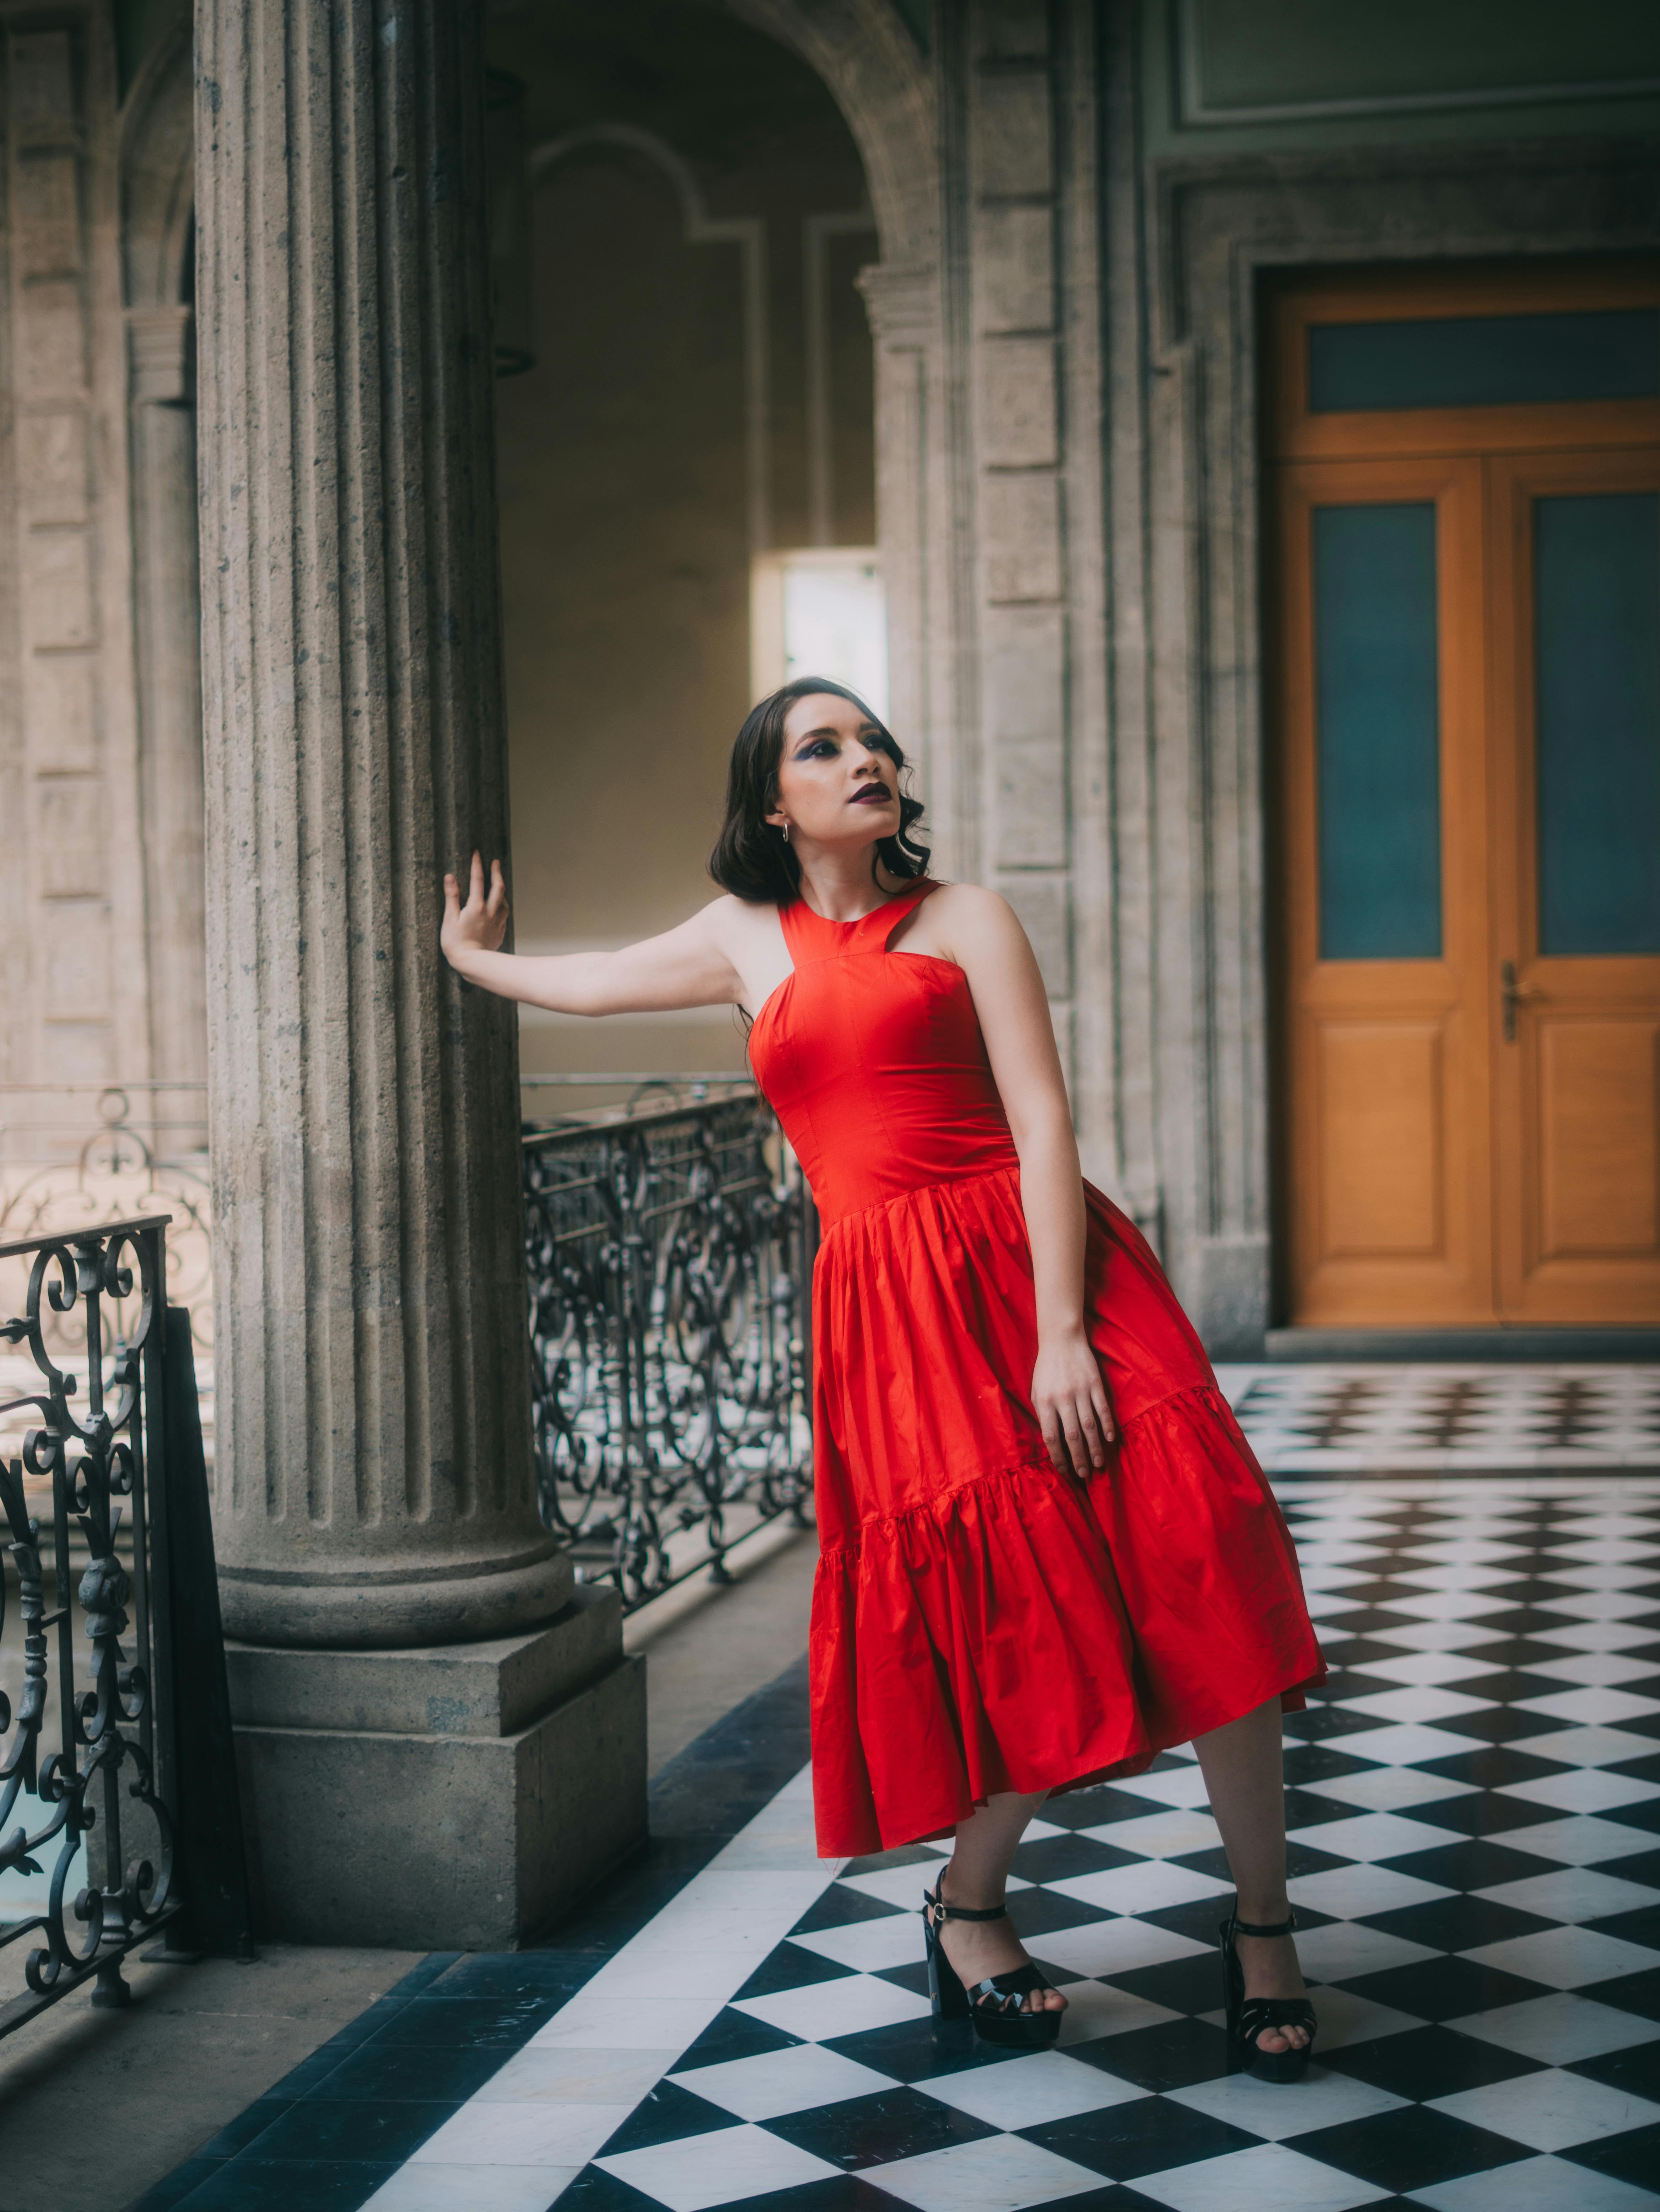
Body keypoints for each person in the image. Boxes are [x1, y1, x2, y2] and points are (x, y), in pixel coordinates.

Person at [441, 676, 1325, 2078]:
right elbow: (595, 980)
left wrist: (1055, 1333)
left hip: (1043, 1272)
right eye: (824, 745)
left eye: (872, 741)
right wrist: (475, 960)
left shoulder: (967, 914)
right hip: (893, 1321)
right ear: (771, 800)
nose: (865, 758)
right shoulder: (744, 936)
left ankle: (1263, 1924)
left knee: (1196, 1552)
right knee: (1016, 1614)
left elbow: (1041, 1116)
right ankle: (967, 1899)